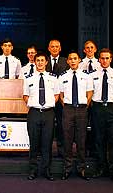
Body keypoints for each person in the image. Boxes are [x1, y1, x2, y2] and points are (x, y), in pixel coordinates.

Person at [90, 48, 113, 184]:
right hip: (98, 109)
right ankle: (101, 168)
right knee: (99, 140)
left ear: (111, 59)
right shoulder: (92, 75)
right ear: (99, 59)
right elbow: (90, 92)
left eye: (107, 58)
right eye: (102, 58)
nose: (104, 60)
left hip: (112, 109)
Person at [23, 52, 59, 181]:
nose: (40, 63)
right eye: (37, 60)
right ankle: (32, 170)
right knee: (34, 143)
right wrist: (35, 105)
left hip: (48, 113)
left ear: (46, 62)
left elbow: (57, 95)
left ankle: (47, 170)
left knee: (47, 143)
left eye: (42, 60)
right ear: (35, 62)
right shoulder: (29, 78)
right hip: (34, 113)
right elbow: (25, 96)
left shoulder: (54, 78)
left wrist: (47, 105)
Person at [58, 51, 93, 181]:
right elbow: (60, 95)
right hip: (67, 109)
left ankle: (82, 169)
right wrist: (67, 106)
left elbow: (90, 93)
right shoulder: (62, 76)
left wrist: (84, 105)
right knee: (67, 139)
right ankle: (67, 169)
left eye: (75, 59)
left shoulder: (86, 76)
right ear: (67, 61)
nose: (73, 61)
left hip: (82, 109)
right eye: (70, 59)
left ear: (79, 60)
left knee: (81, 140)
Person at [46, 39, 69, 158]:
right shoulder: (43, 61)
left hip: (61, 99)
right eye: (52, 47)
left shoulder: (66, 61)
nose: (54, 48)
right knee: (47, 126)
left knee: (61, 125)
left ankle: (61, 149)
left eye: (57, 47)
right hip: (46, 99)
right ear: (48, 48)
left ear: (60, 48)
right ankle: (46, 150)